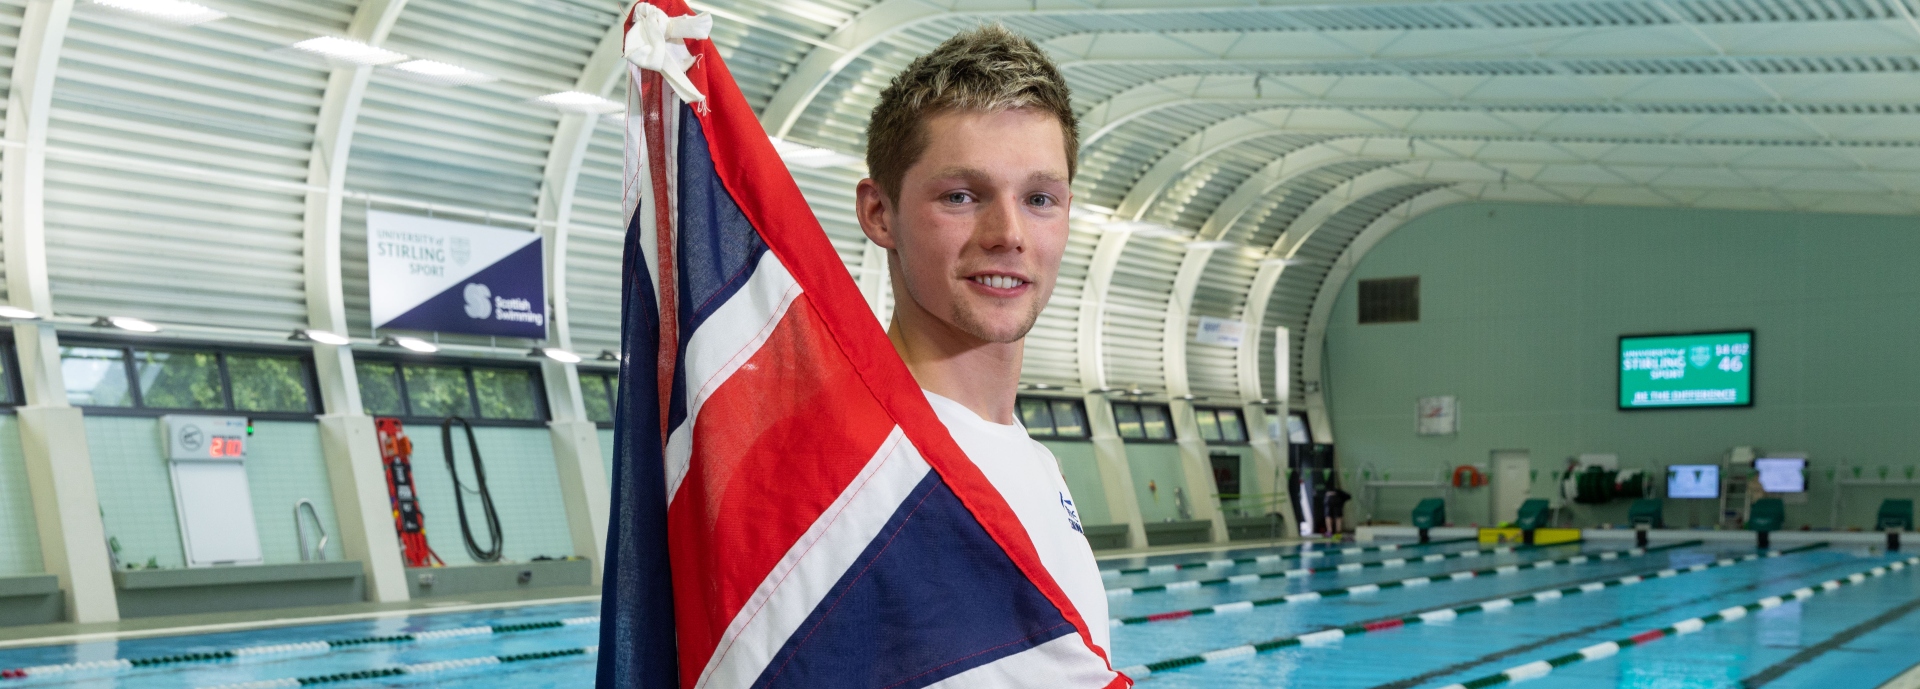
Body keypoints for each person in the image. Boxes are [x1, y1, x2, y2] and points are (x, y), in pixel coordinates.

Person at [855, 24, 1113, 672]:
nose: (1009, 233)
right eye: (962, 196)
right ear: (879, 213)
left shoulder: (1037, 466)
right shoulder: (854, 470)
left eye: (1039, 198)